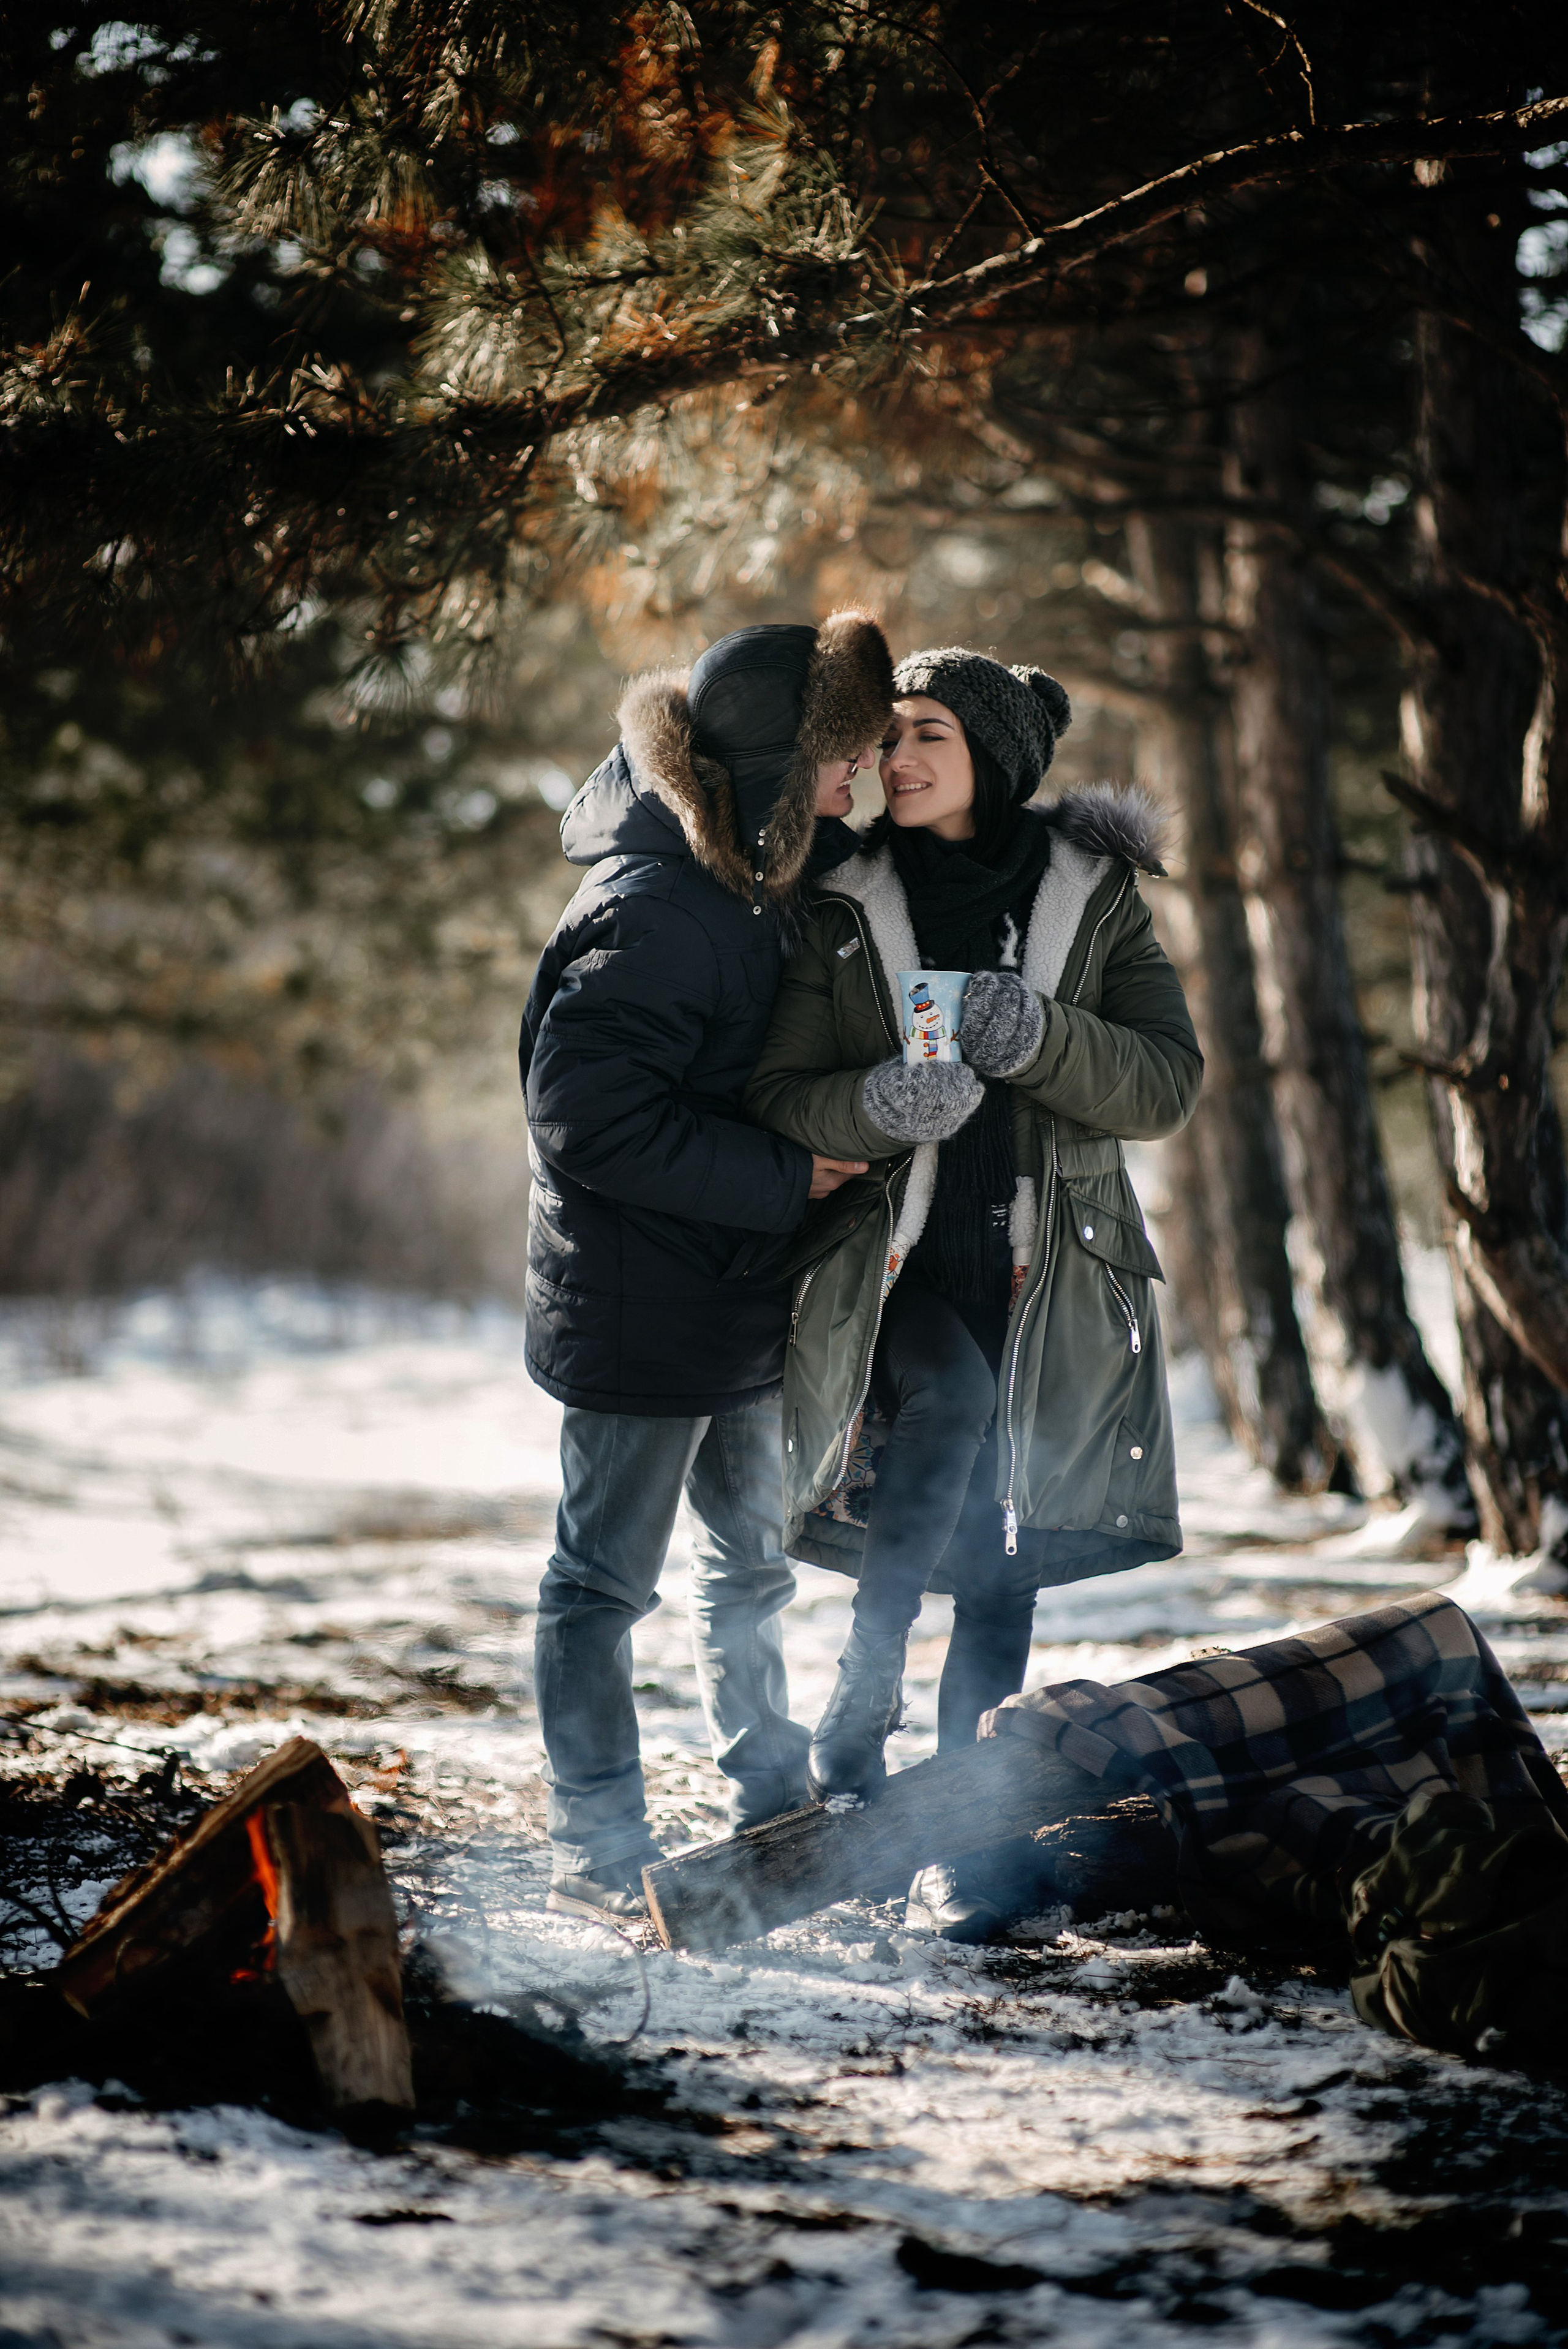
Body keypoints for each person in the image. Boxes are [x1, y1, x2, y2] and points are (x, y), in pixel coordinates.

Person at [744, 646, 1203, 1938]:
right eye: (887, 736)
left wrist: (1039, 1036)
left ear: (992, 756)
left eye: (925, 734)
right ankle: (868, 1673)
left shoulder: (1094, 898)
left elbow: (1165, 1083)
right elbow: (779, 1092)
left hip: (1048, 1278)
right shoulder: (843, 898)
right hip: (889, 1269)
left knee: (1004, 1565)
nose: (893, 758)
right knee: (946, 1398)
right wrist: (880, 1103)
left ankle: (964, 1842)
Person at [520, 613, 894, 1921]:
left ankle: (771, 1806)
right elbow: (584, 1118)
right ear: (784, 769)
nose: (861, 781)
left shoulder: (750, 875)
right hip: (637, 1306)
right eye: (845, 758)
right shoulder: (661, 905)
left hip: (733, 1294)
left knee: (748, 1570)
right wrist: (786, 1177)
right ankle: (594, 1839)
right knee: (600, 1585)